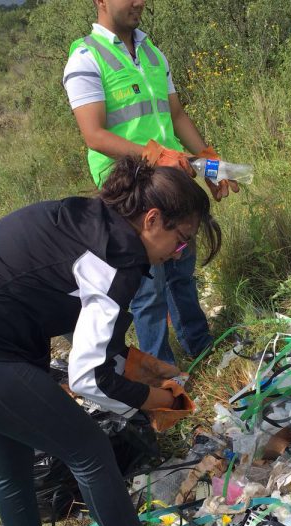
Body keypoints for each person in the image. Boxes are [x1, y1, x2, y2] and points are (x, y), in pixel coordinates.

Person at [0, 157, 221, 526]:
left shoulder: (95, 223)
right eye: (181, 240)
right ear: (153, 219)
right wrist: (158, 401)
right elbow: (88, 377)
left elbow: (90, 331)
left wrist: (143, 366)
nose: (179, 254)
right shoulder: (113, 262)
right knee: (88, 449)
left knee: (11, 460)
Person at [62, 0, 238, 364]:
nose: (140, 2)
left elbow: (175, 114)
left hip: (173, 180)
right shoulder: (85, 57)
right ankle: (165, 376)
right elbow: (94, 135)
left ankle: (200, 348)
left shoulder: (152, 52)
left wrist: (208, 157)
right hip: (131, 192)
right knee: (149, 291)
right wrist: (155, 155)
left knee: (181, 273)